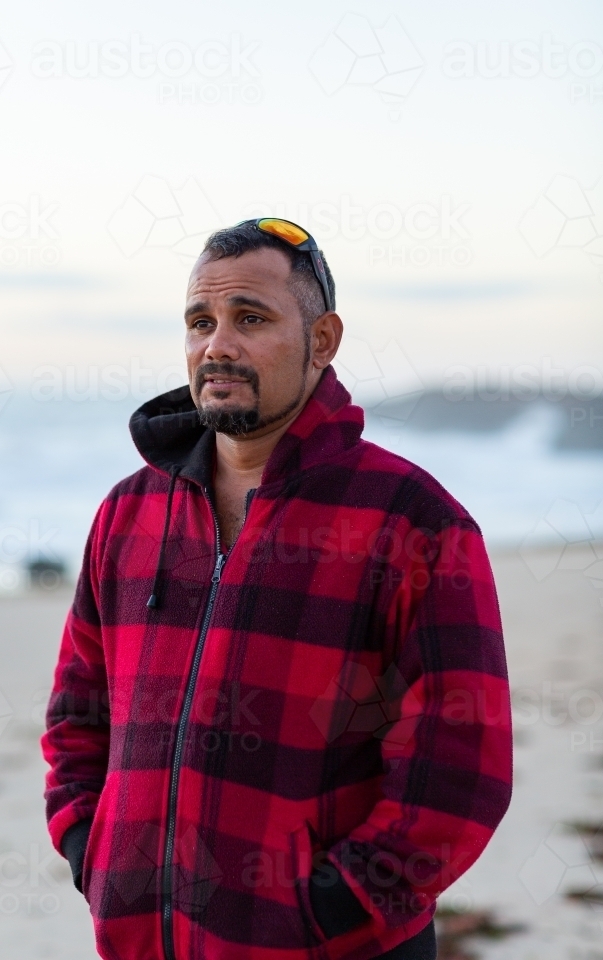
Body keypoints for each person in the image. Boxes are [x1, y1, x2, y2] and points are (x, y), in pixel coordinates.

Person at [41, 218, 512, 960]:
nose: (216, 345)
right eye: (200, 321)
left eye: (249, 319)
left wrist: (330, 909)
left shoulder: (412, 521)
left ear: (321, 340)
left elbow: (460, 771)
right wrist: (86, 845)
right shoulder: (128, 513)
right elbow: (78, 709)